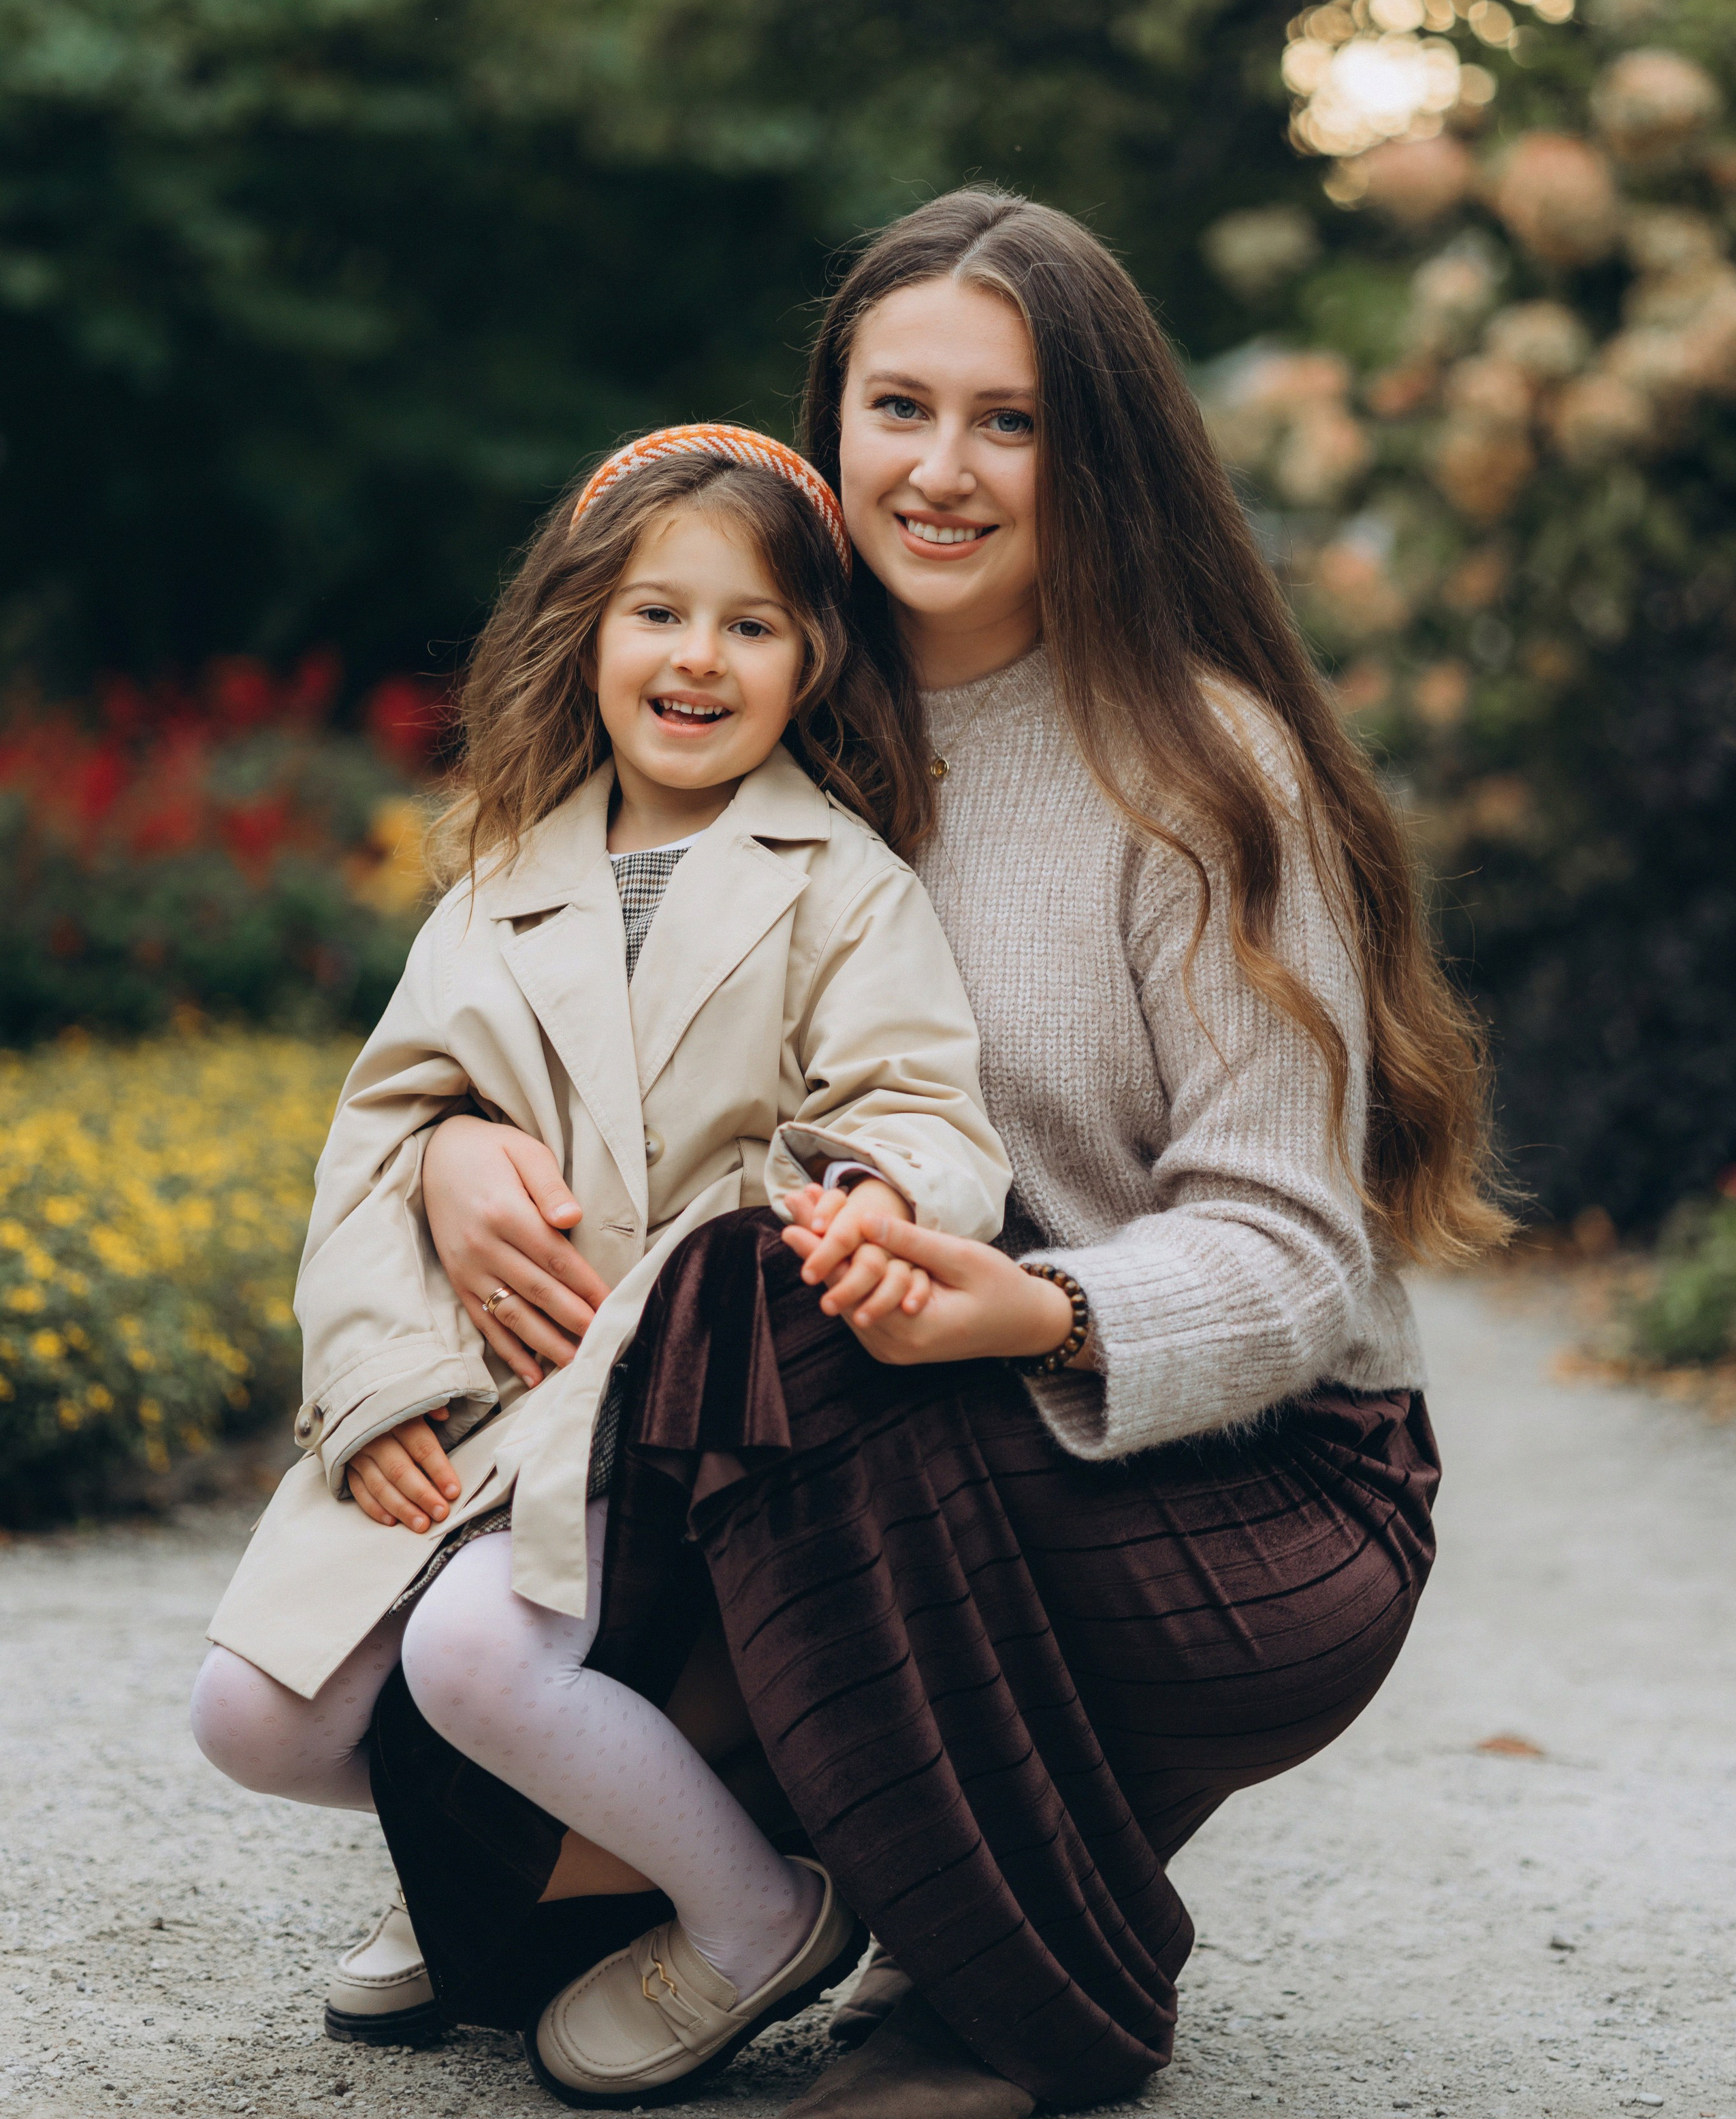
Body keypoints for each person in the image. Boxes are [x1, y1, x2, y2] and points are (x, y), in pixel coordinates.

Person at [340, 190, 1508, 2117]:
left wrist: (1038, 1309)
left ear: (1096, 455)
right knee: (506, 1866)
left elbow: (1298, 1255)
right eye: (899, 408)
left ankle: (1019, 1999)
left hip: (1242, 1488)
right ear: (834, 426)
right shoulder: (769, 693)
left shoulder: (1202, 768)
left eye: (1010, 421)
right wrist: (461, 1140)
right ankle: (786, 1880)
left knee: (763, 1309)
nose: (941, 471)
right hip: (867, 1416)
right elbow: (534, 976)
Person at [188, 425, 1015, 2103]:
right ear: (586, 629)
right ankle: (480, 1855)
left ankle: (751, 1909)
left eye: (751, 624)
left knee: (476, 1658)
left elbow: (924, 1113)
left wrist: (876, 1198)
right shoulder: (496, 881)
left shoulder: (843, 890)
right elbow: (382, 1140)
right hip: (481, 1391)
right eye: (656, 611)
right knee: (251, 1716)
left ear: (809, 662)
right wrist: (375, 1385)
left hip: (674, 1411)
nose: (696, 657)